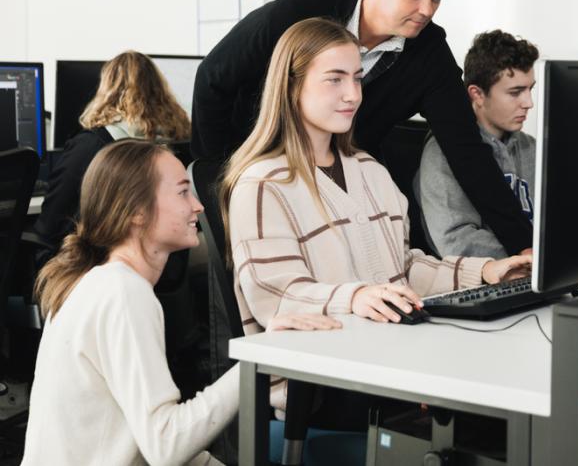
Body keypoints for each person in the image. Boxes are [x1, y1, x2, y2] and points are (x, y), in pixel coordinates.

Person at [220, 18, 532, 410]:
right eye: (334, 79)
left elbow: (402, 270)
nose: (353, 94)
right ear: (291, 86)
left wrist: (484, 273)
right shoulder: (264, 183)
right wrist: (357, 297)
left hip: (390, 367)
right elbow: (277, 295)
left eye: (357, 77)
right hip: (321, 391)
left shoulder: (370, 171)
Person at [193, 0, 531, 255]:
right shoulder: (297, 15)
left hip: (339, 182)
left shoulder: (429, 55)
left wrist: (526, 249)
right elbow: (212, 78)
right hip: (258, 171)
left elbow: (468, 153)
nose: (427, 10)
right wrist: (224, 179)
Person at [21, 139, 340, 466]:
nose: (198, 206)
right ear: (137, 212)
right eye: (182, 192)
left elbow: (144, 438)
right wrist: (256, 361)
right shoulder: (123, 292)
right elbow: (166, 446)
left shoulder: (95, 283)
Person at [34, 50, 191, 256]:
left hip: (103, 263)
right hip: (165, 261)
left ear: (106, 90)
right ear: (159, 90)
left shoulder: (91, 145)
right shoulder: (179, 140)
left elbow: (52, 222)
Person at [415, 30, 539, 259]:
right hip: (479, 283)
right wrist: (532, 259)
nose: (528, 103)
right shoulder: (442, 153)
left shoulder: (531, 148)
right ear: (477, 95)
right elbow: (455, 242)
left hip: (536, 276)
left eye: (530, 89)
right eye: (515, 92)